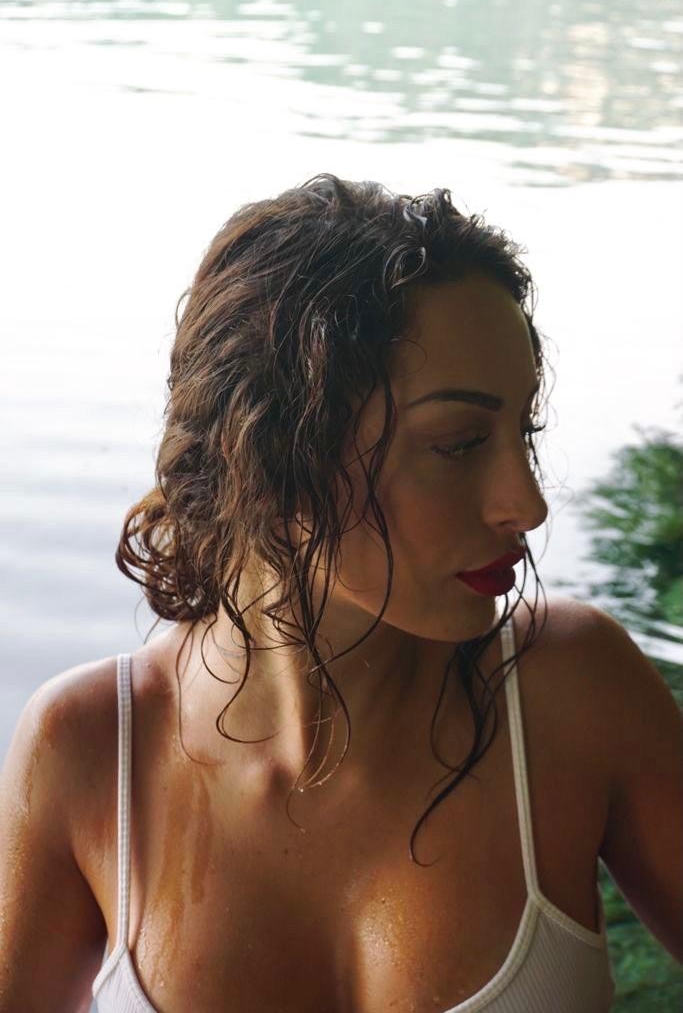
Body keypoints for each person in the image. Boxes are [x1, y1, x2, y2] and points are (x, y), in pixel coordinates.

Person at [1, 174, 681, 1013]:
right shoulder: (91, 750)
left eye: (523, 430)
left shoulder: (571, 695)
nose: (527, 503)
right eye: (459, 442)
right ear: (272, 452)